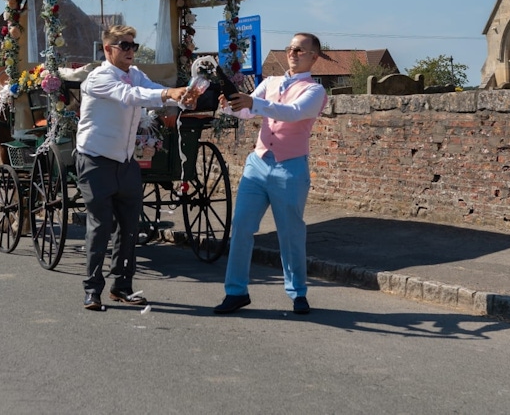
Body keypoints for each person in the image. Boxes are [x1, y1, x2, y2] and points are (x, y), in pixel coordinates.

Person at [75, 25, 194, 311]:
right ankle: (92, 290)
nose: (130, 51)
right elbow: (131, 96)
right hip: (96, 159)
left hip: (125, 161)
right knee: (101, 225)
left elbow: (149, 89)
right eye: (124, 46)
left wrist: (179, 96)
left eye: (133, 46)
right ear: (108, 49)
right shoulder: (99, 78)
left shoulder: (135, 74)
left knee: (130, 226)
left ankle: (122, 287)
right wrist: (168, 93)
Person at [214, 33, 328, 315]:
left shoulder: (315, 91)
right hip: (259, 161)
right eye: (291, 48)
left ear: (313, 57)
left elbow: (293, 112)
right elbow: (248, 112)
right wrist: (231, 105)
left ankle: (297, 291)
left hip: (290, 166)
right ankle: (236, 291)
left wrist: (252, 104)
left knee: (290, 233)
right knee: (241, 227)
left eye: (300, 50)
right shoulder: (271, 82)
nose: (293, 53)